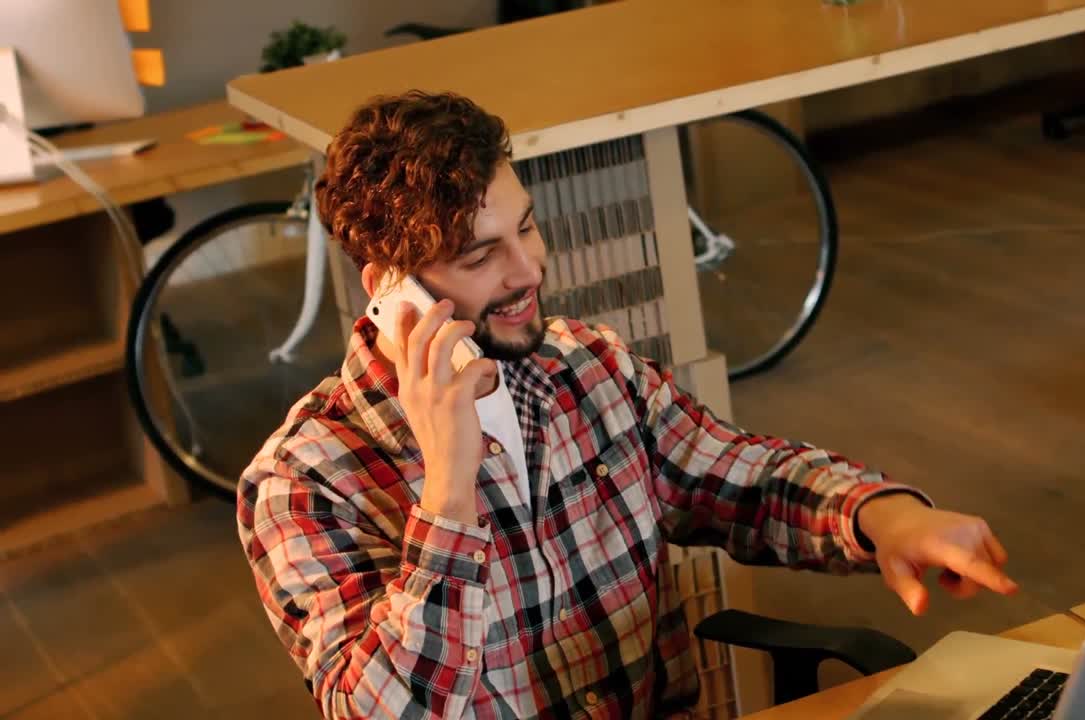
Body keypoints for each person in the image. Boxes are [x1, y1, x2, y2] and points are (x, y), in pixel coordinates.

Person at [236, 90, 1019, 720]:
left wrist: (882, 516)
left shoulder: (587, 364)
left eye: (529, 229)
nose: (529, 270)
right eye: (481, 255)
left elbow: (736, 474)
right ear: (390, 294)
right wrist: (446, 491)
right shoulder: (303, 483)